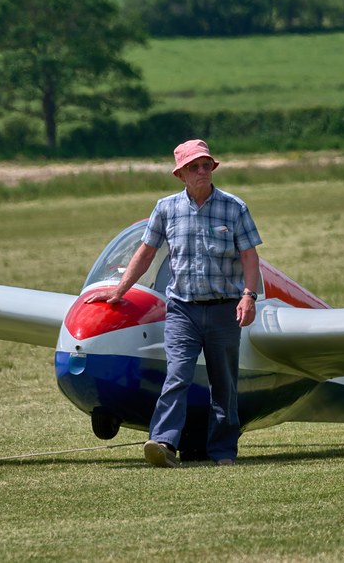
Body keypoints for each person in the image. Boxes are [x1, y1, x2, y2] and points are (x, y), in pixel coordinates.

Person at [90, 139, 262, 467]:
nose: (202, 171)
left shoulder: (234, 207)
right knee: (177, 373)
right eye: (194, 167)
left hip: (225, 308)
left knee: (224, 382)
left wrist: (248, 297)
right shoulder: (166, 208)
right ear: (180, 174)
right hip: (182, 309)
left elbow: (250, 256)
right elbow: (146, 253)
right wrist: (119, 291)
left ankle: (223, 451)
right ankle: (164, 443)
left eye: (207, 165)